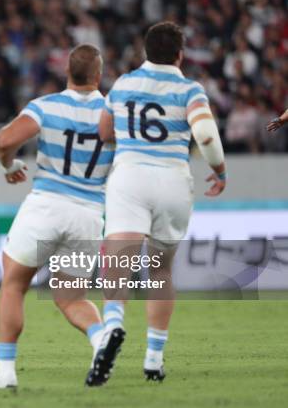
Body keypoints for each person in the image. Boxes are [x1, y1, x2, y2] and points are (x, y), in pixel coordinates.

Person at [91, 21, 227, 386]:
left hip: (130, 176)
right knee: (161, 270)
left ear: (145, 51)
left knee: (117, 260)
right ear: (180, 54)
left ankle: (114, 326)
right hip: (173, 180)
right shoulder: (189, 88)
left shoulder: (124, 84)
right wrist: (219, 169)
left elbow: (104, 132)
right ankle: (153, 359)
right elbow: (206, 135)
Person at [0, 44, 114, 389]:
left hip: (47, 205)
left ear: (67, 73)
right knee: (71, 297)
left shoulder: (47, 105)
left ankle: (5, 372)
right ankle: (100, 340)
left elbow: (5, 139)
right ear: (98, 76)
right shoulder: (115, 112)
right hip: (89, 214)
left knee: (13, 283)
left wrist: (9, 165)